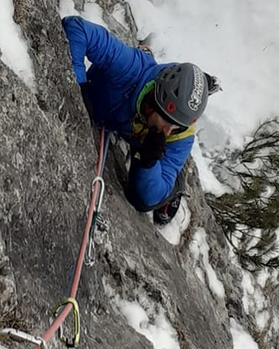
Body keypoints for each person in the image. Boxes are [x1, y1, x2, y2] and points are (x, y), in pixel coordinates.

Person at [61, 14, 214, 226]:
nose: (168, 132)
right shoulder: (131, 68)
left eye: (177, 126)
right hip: (120, 113)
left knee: (140, 199)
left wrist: (148, 162)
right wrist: (78, 88)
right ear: (155, 100)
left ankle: (176, 187)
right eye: (168, 121)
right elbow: (77, 28)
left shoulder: (180, 136)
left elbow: (149, 197)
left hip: (137, 138)